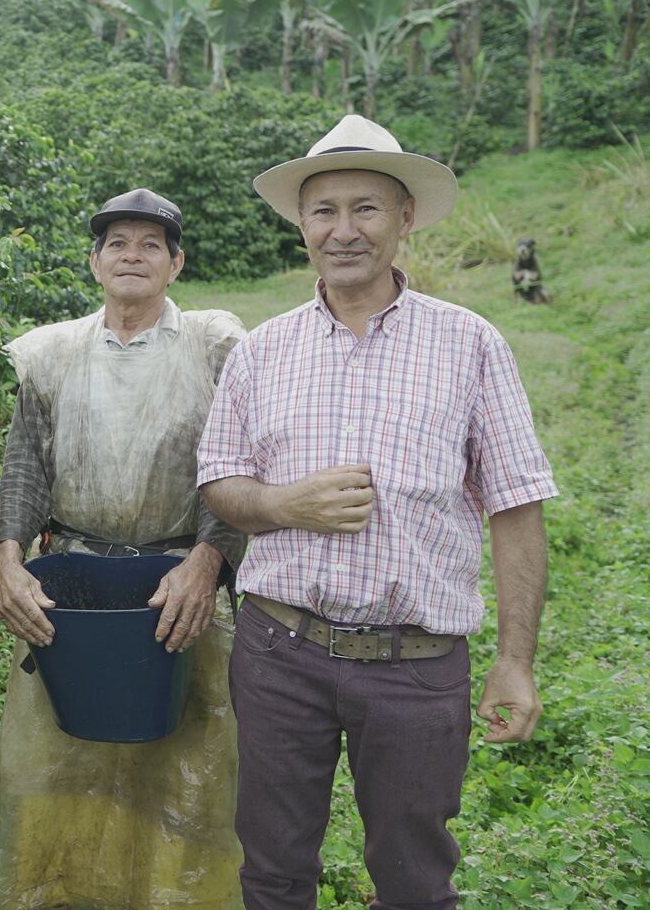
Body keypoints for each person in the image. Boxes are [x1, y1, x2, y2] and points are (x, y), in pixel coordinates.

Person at [196, 115, 557, 910]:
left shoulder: (471, 345)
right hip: (279, 651)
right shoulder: (263, 351)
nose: (343, 230)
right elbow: (221, 481)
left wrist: (515, 659)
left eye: (366, 208)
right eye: (323, 210)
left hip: (418, 663)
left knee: (415, 875)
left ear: (405, 218)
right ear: (303, 226)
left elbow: (516, 506)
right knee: (274, 866)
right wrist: (283, 503)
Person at [0, 188, 248, 909]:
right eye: (118, 244)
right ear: (95, 262)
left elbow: (237, 465)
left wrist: (208, 559)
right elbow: (25, 469)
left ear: (176, 263)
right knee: (57, 762)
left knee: (186, 766)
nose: (133, 256)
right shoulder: (52, 354)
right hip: (74, 583)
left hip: (181, 582)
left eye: (150, 245)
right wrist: (8, 555)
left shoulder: (213, 346)